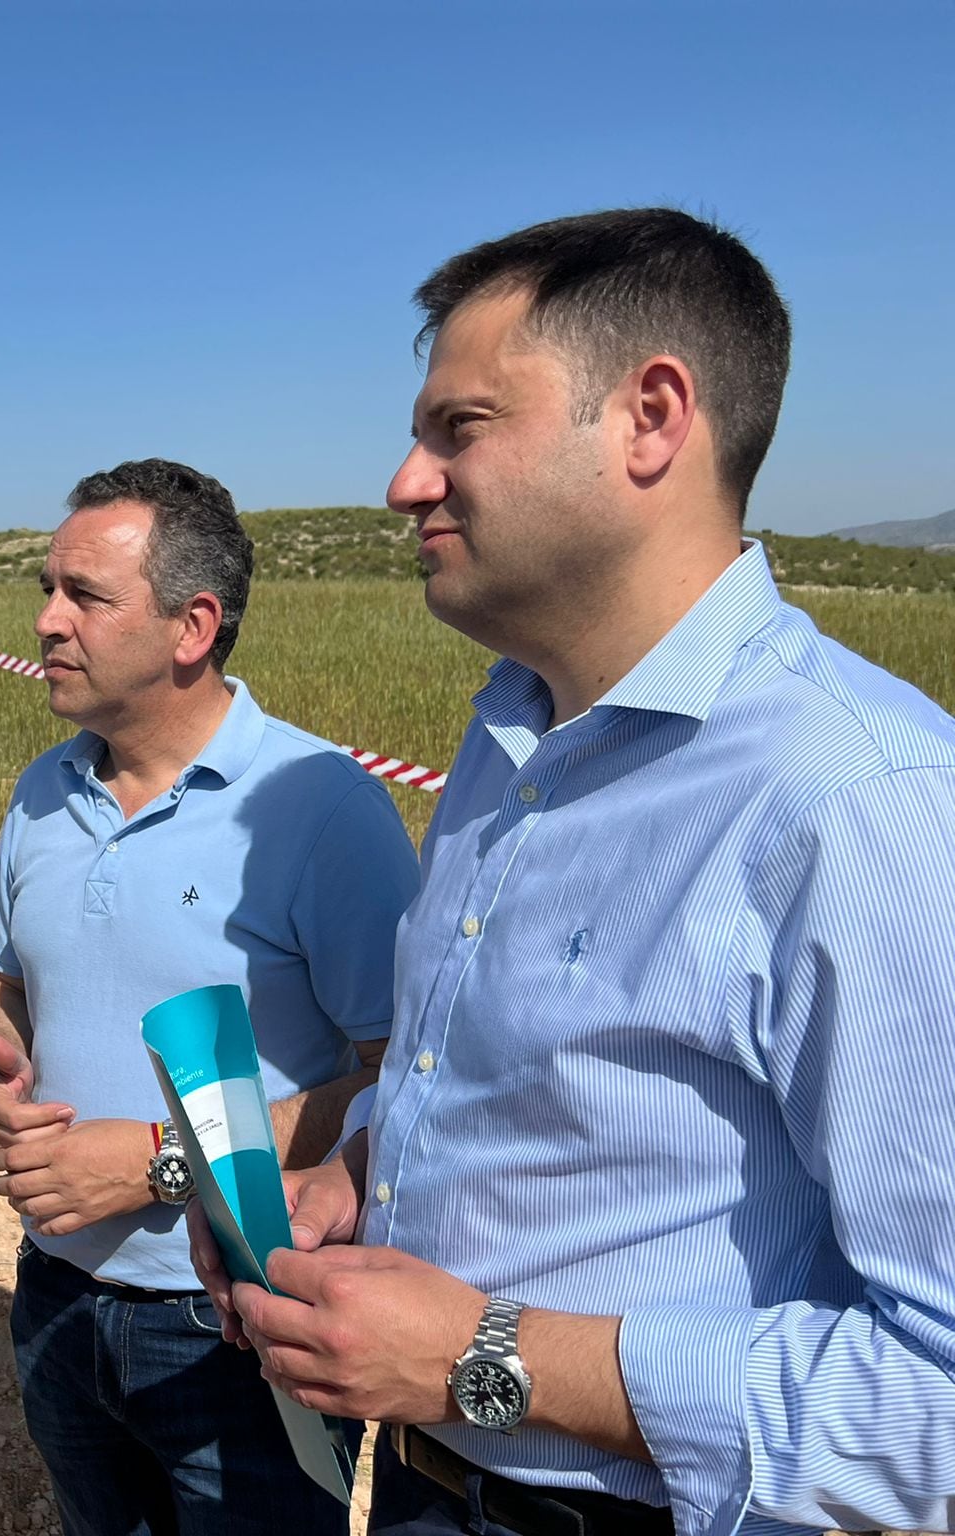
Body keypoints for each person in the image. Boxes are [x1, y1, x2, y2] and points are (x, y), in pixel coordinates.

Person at [193, 209, 955, 1536]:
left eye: (460, 427)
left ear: (651, 417)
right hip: (429, 1489)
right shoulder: (507, 744)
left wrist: (482, 1360)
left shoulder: (863, 804)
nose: (404, 481)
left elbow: (936, 1408)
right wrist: (356, 1181)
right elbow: (518, 1096)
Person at [0, 458, 420, 1536]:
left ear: (191, 626)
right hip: (54, 1298)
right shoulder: (42, 793)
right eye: (47, 589)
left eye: (83, 596)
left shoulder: (319, 813)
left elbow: (399, 1081)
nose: (45, 621)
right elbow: (0, 988)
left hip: (241, 1325)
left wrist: (157, 1162)